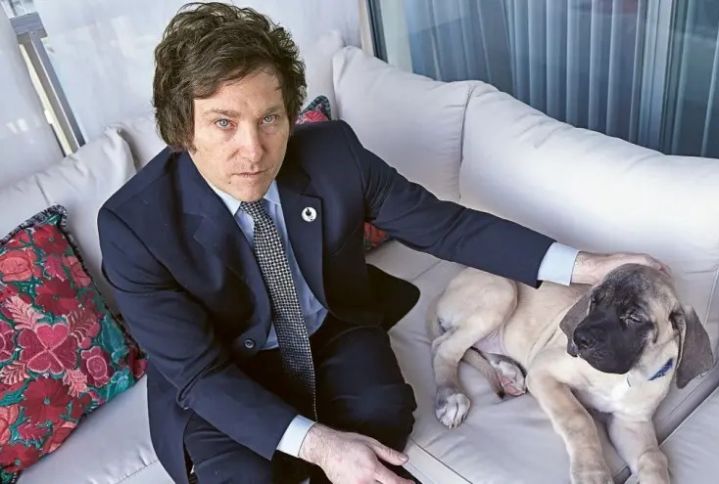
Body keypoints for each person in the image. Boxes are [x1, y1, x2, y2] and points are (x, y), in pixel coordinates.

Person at [97, 3, 666, 483]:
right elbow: (199, 376)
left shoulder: (333, 153)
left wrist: (585, 265)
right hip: (224, 372)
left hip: (328, 330)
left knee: (385, 428)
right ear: (183, 127)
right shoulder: (133, 226)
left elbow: (447, 226)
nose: (254, 149)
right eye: (224, 122)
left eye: (270, 119)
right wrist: (320, 445)